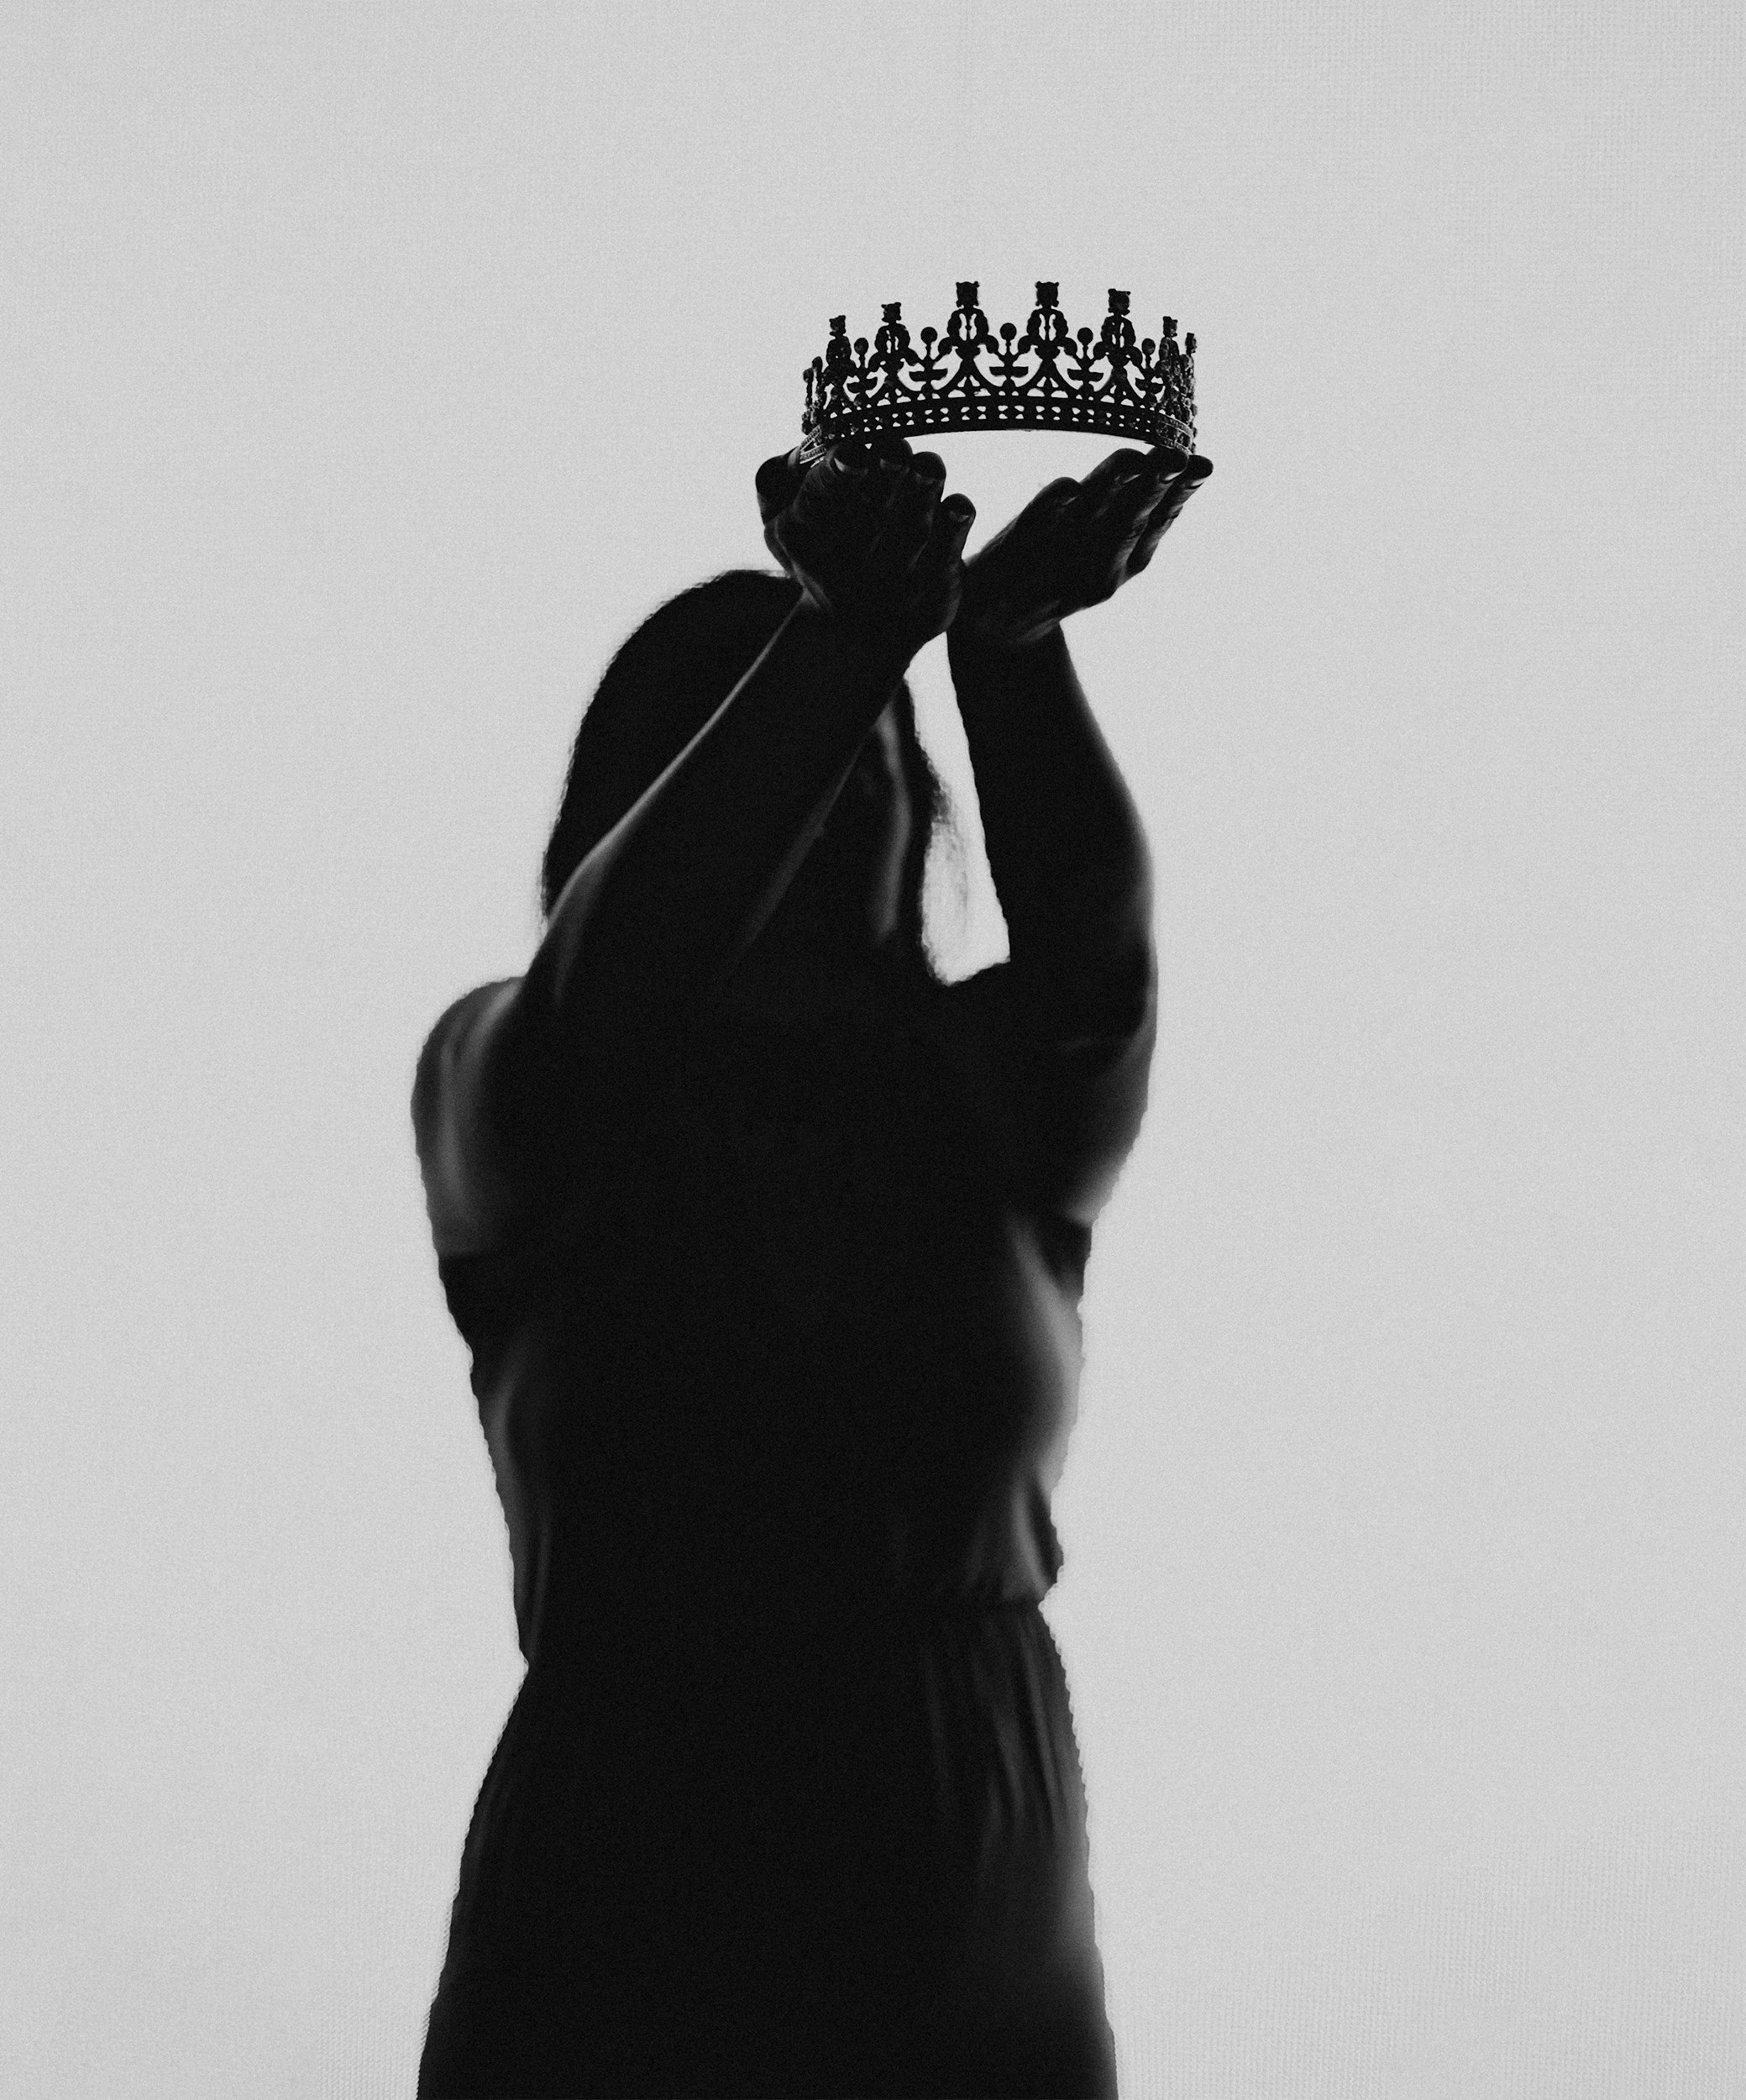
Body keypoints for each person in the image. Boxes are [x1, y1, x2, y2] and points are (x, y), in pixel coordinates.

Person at [412, 430, 1214, 2097]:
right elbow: (614, 989)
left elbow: (1096, 974)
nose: (844, 783)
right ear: (640, 813)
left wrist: (1005, 651)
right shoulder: (519, 1091)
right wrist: (837, 647)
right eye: (781, 755)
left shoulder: (984, 1099)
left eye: (878, 761)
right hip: (635, 1931)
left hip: (987, 1945)